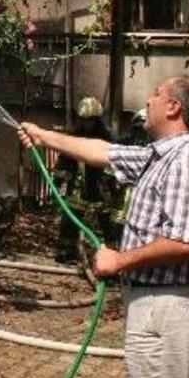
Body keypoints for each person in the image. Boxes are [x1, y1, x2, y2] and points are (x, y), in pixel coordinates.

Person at [19, 76, 189, 378]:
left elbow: (183, 242)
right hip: (161, 301)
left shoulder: (183, 164)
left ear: (174, 107)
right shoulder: (157, 158)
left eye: (156, 94)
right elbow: (104, 152)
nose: (148, 100)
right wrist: (44, 136)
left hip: (170, 305)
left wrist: (120, 260)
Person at [54, 96, 117, 262]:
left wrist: (111, 184)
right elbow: (64, 159)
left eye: (90, 121)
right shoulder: (74, 135)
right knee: (70, 219)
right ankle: (66, 251)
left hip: (99, 186)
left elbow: (112, 160)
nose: (86, 124)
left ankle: (109, 255)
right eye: (83, 120)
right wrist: (58, 181)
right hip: (77, 185)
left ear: (97, 120)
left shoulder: (106, 137)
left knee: (105, 222)